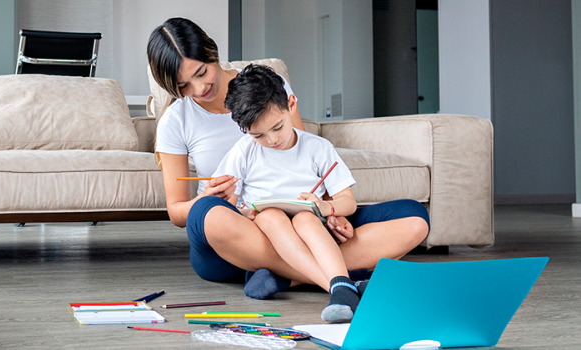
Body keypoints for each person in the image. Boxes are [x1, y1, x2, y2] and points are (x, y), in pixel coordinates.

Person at [148, 17, 430, 301]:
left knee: (413, 216)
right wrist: (208, 197)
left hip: (305, 221)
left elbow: (301, 157)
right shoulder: (176, 121)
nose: (198, 90)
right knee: (205, 213)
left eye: (201, 73)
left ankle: (283, 277)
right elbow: (177, 213)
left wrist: (332, 214)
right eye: (183, 86)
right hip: (241, 233)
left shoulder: (268, 84)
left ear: (212, 53)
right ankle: (339, 280)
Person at [215, 64, 360, 322]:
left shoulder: (318, 148)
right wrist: (239, 210)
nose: (271, 140)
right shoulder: (243, 151)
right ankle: (343, 286)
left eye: (278, 127)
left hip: (310, 228)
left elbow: (349, 202)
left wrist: (326, 208)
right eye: (258, 134)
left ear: (291, 104)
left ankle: (282, 278)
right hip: (264, 233)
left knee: (305, 218)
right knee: (270, 216)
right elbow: (228, 208)